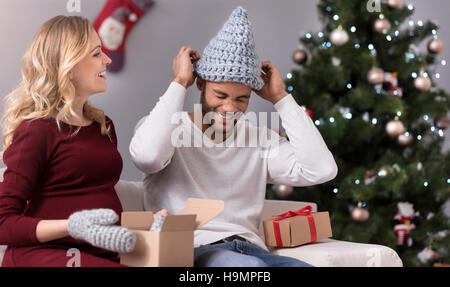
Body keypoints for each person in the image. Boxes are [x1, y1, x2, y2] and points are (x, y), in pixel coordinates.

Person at [129, 7, 338, 267]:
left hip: (252, 250)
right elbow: (147, 157)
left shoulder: (259, 139)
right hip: (192, 249)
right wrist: (179, 82)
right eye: (221, 95)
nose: (230, 108)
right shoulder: (169, 130)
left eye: (242, 99)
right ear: (201, 84)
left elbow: (320, 170)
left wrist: (281, 99)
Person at [0, 15, 166, 267]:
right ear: (68, 63)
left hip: (99, 256)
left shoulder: (103, 126)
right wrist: (72, 226)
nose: (107, 59)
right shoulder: (36, 131)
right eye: (97, 53)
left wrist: (145, 230)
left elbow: (98, 208)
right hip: (46, 254)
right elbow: (3, 223)